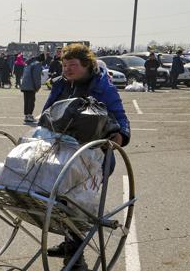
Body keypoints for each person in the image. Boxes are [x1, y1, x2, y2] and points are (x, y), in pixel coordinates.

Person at [41, 43, 131, 257]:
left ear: (87, 65)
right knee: (54, 197)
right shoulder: (61, 85)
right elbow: (47, 112)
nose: (67, 69)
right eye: (64, 65)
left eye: (72, 65)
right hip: (61, 150)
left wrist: (121, 135)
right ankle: (71, 241)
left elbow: (120, 115)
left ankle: (75, 246)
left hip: (93, 155)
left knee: (74, 201)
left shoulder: (102, 86)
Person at [20, 54, 45, 124]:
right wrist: (37, 87)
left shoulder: (28, 63)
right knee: (31, 101)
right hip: (31, 85)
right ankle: (29, 115)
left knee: (26, 100)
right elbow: (36, 77)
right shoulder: (37, 64)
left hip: (24, 84)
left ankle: (26, 115)